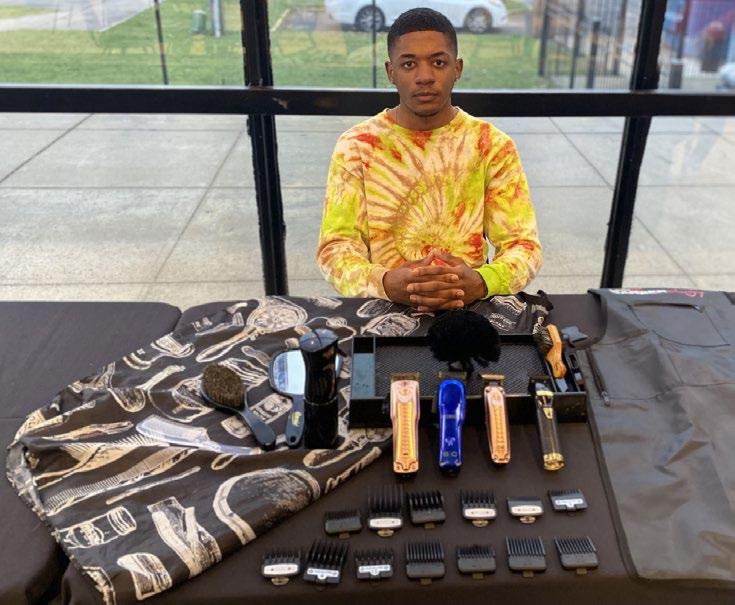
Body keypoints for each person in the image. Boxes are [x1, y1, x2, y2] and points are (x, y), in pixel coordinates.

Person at [316, 7, 542, 312]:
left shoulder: (491, 145)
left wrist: (481, 281)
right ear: (391, 72)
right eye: (409, 64)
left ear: (457, 68)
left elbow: (524, 247)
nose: (424, 77)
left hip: (469, 310)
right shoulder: (357, 146)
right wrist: (384, 282)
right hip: (385, 308)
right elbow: (335, 250)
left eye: (438, 62)